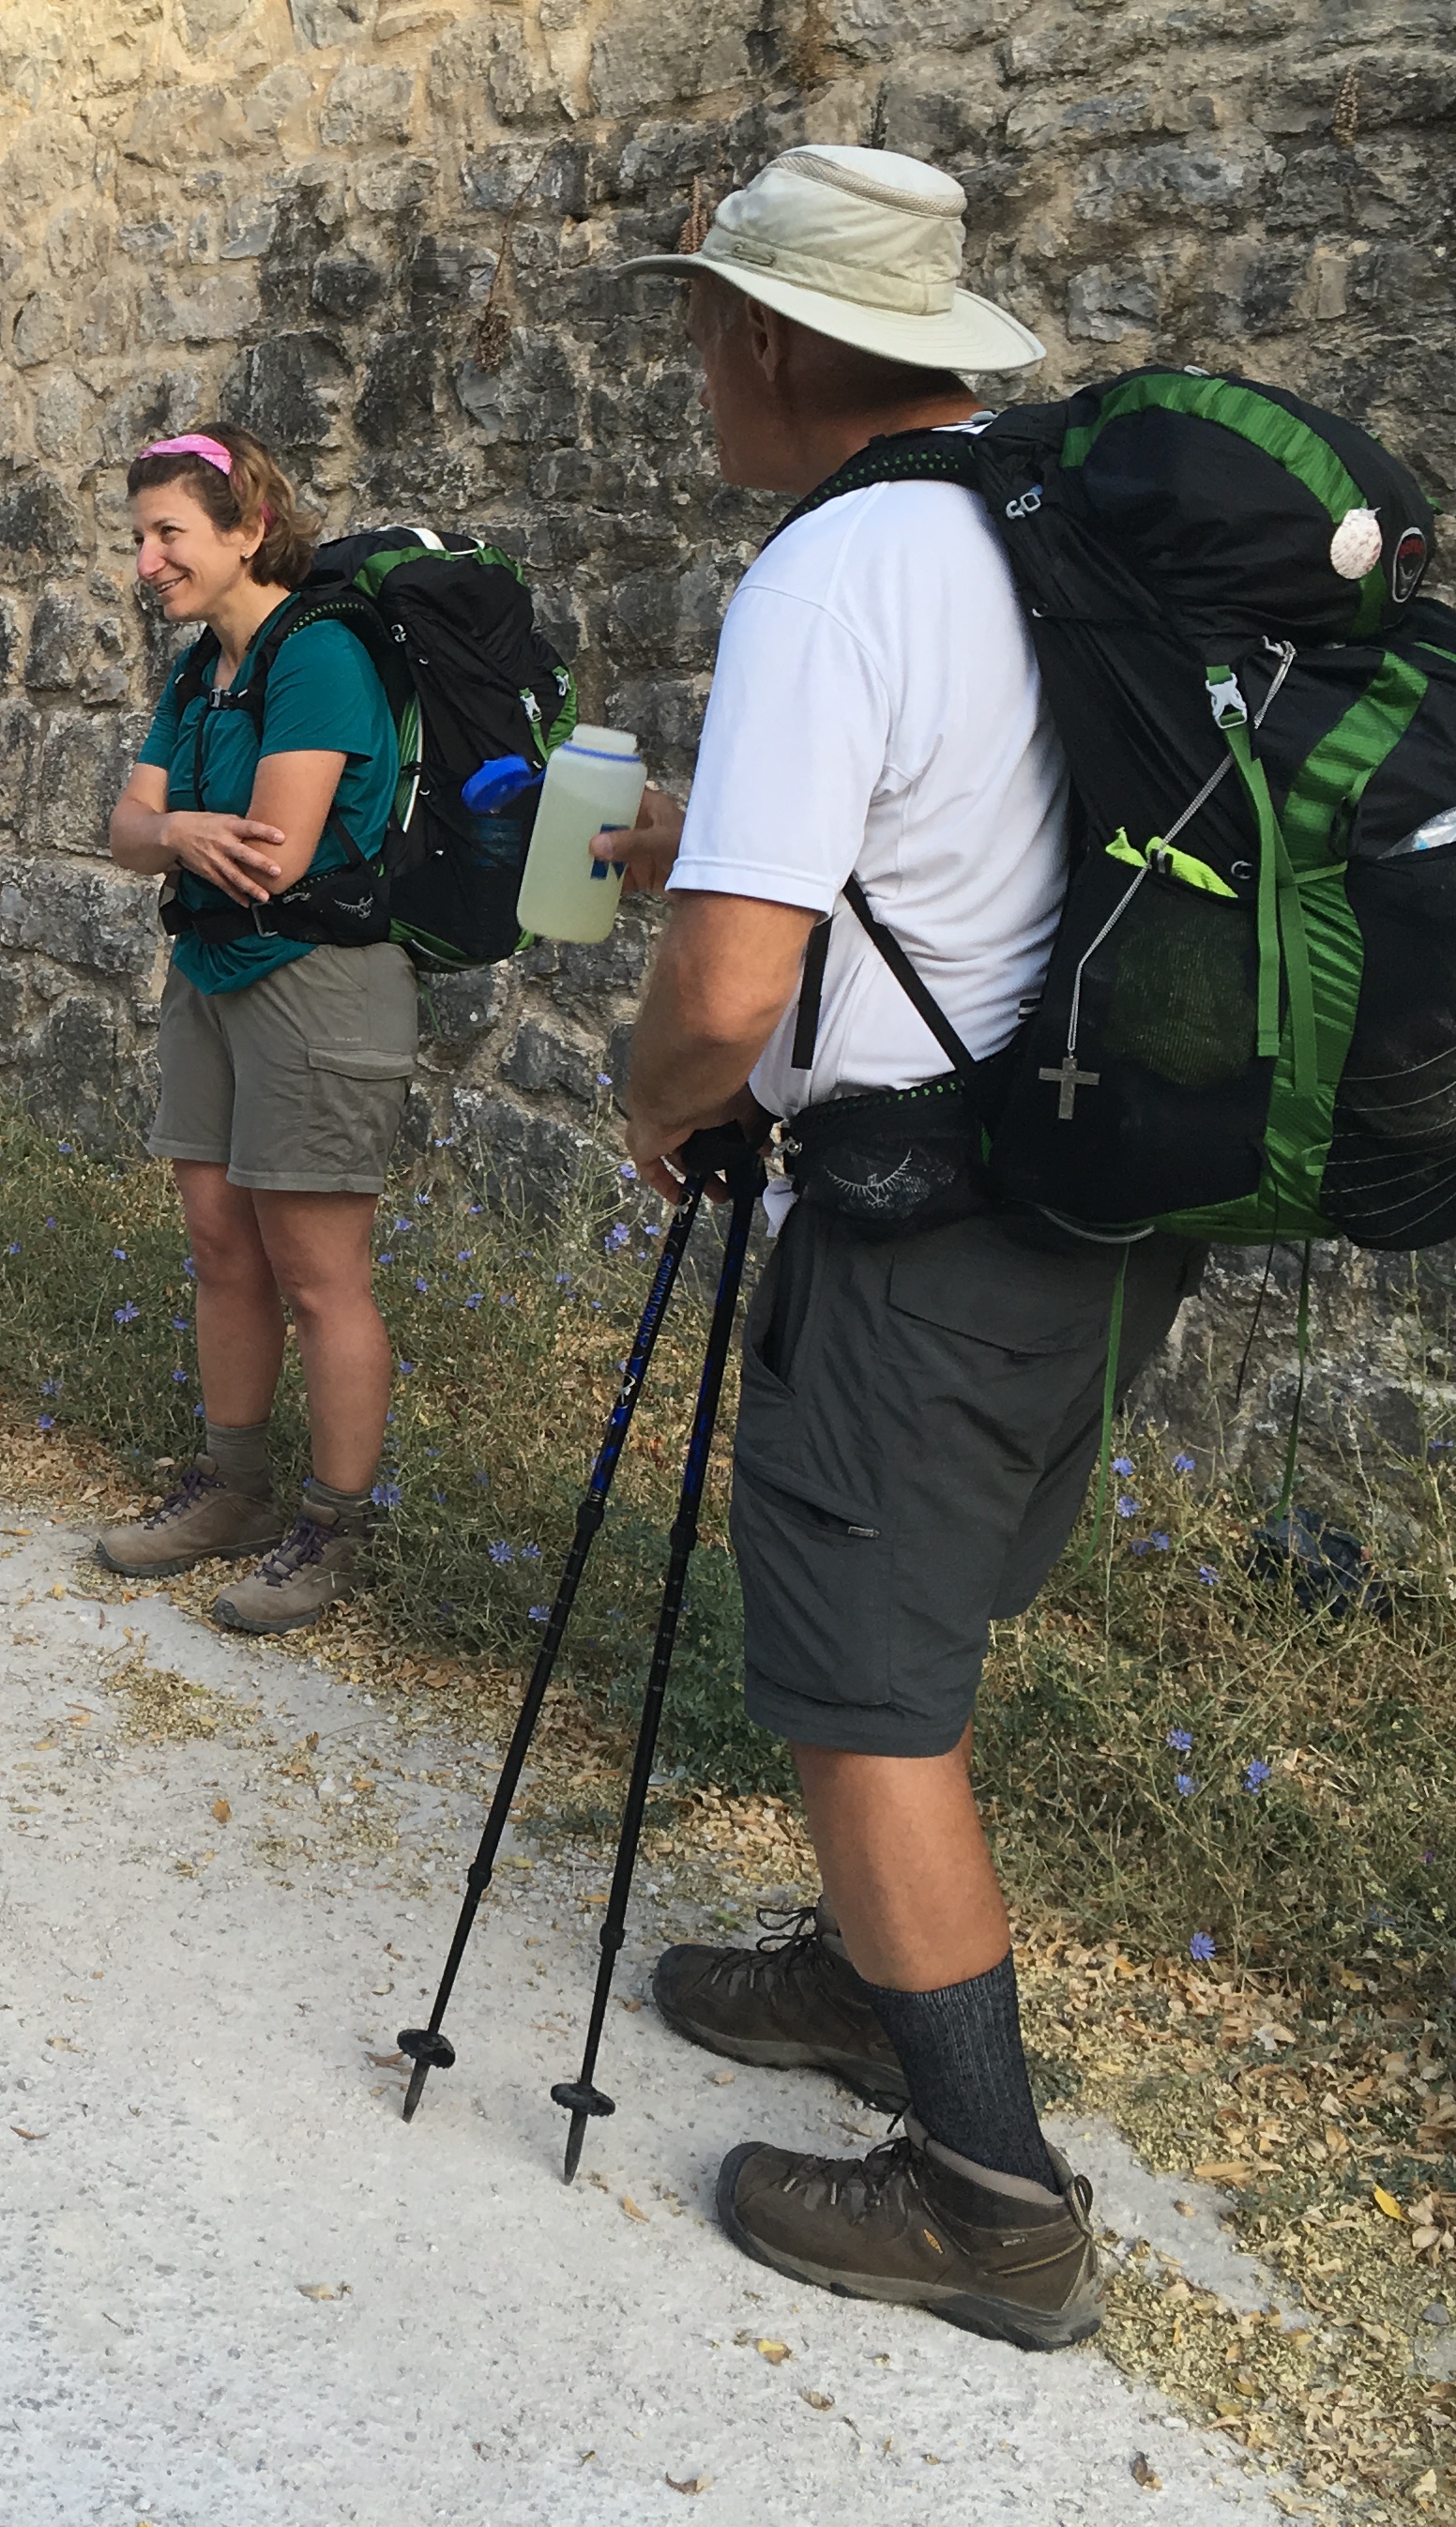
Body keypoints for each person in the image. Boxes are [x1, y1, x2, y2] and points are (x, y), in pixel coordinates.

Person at [599, 146, 1198, 2350]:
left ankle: (988, 2200)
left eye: (702, 333)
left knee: (868, 1688)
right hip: (1086, 1193)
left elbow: (727, 999)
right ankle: (866, 1983)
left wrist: (657, 1105)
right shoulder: (1038, 534)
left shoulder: (834, 575)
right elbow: (968, 853)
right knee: (902, 1621)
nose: (692, 372)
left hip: (924, 1219)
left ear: (770, 342)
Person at [89, 424, 409, 1637]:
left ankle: (331, 1528)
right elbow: (131, 829)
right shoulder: (200, 674)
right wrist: (178, 836)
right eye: (139, 539)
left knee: (322, 1275)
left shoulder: (318, 657)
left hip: (317, 984)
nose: (147, 563)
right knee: (222, 1241)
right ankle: (229, 1489)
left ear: (247, 529)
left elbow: (272, 853)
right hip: (212, 974)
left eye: (170, 534)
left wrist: (174, 831)